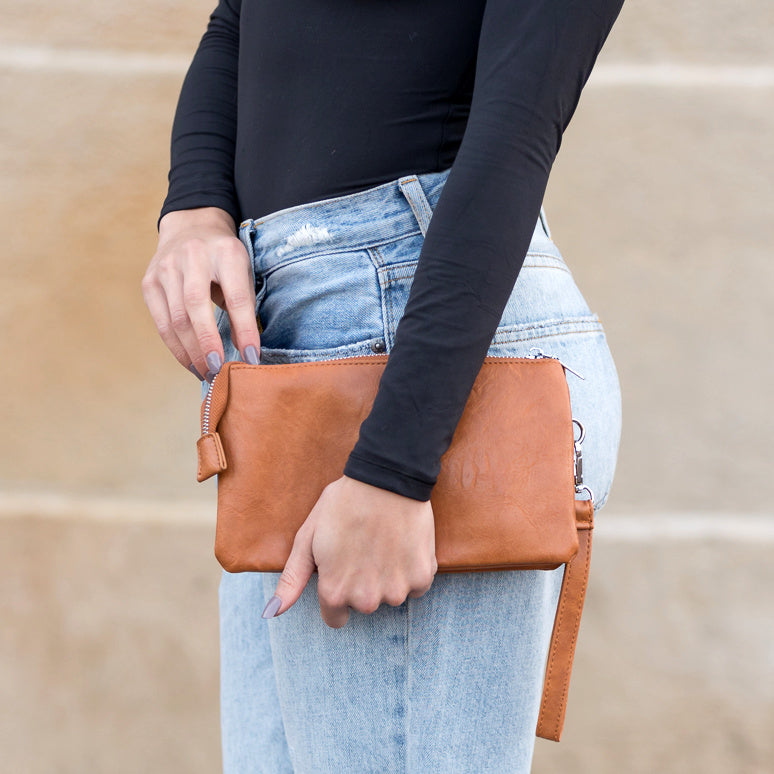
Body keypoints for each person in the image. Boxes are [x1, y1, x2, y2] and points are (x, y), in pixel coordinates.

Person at [142, 1, 625, 771]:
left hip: (415, 347)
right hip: (289, 357)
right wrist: (194, 206)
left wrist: (395, 468)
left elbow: (514, 137)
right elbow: (239, 16)